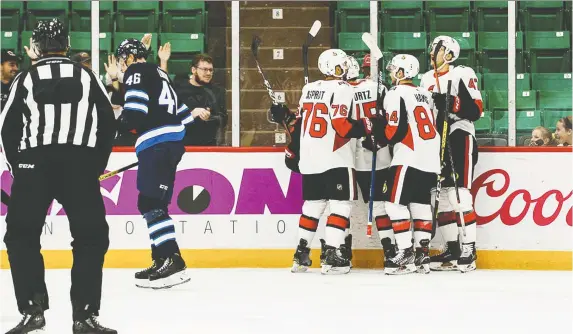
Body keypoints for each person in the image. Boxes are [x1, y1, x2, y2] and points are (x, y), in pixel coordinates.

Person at [0, 19, 117, 333]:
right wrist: (94, 165)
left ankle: (32, 310)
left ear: (36, 47)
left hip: (33, 164)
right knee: (91, 237)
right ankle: (85, 316)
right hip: (79, 164)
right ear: (66, 44)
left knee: (21, 237)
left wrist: (18, 167)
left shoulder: (25, 77)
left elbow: (6, 127)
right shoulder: (87, 75)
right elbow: (108, 123)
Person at [270, 49, 385, 275]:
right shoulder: (342, 89)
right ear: (333, 67)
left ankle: (301, 254)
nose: (345, 69)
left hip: (311, 159)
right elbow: (342, 126)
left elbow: (299, 123)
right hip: (336, 157)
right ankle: (332, 254)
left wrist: (284, 115)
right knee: (340, 205)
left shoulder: (309, 89)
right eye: (341, 65)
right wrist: (369, 125)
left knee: (312, 206)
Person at [115, 38, 210, 289]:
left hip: (157, 143)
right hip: (167, 143)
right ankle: (161, 259)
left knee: (150, 202)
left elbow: (134, 112)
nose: (121, 66)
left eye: (122, 60)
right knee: (151, 202)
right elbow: (183, 116)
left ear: (128, 57)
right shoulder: (160, 73)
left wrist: (115, 125)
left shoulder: (136, 72)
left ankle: (171, 259)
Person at [419, 35, 484, 273]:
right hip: (435, 140)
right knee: (443, 195)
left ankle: (469, 248)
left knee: (460, 195)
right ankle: (453, 249)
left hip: (459, 136)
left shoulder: (462, 73)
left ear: (448, 53)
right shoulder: (426, 78)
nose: (431, 52)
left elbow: (476, 110)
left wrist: (451, 102)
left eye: (436, 49)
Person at [372, 54, 440, 275]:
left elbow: (395, 130)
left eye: (394, 71)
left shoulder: (395, 93)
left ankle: (406, 254)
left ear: (401, 73)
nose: (392, 74)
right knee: (420, 205)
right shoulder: (425, 94)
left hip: (408, 157)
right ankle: (422, 255)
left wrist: (377, 133)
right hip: (430, 159)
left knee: (393, 204)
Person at [345, 55, 396, 265]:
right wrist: (381, 138)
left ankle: (342, 252)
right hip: (377, 154)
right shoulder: (378, 87)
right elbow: (389, 118)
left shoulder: (338, 90)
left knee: (340, 207)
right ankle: (391, 251)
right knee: (380, 207)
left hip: (345, 157)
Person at [173, 54, 228, 146]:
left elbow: (224, 119)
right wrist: (191, 115)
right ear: (194, 70)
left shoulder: (217, 91)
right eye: (205, 69)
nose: (208, 73)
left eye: (211, 70)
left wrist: (210, 117)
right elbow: (169, 119)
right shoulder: (179, 90)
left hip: (209, 148)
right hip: (184, 147)